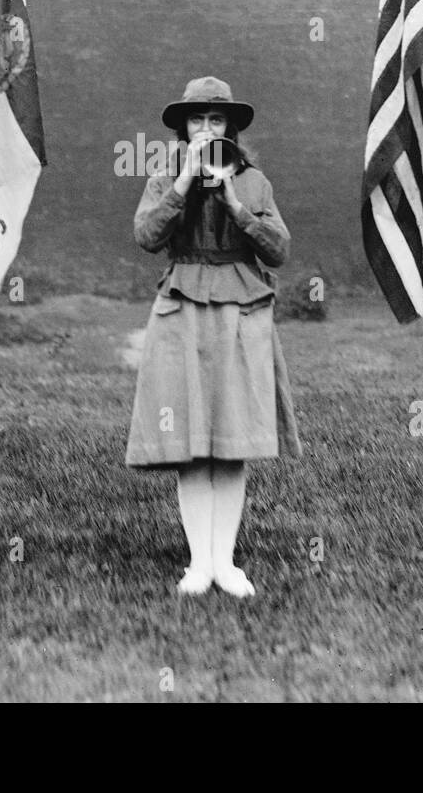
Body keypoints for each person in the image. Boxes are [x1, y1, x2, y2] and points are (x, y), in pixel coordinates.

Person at [126, 76, 301, 597]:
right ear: (183, 127)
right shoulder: (164, 177)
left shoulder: (255, 181)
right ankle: (198, 563)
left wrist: (234, 205)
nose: (206, 129)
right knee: (190, 441)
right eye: (197, 120)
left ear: (230, 128)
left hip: (242, 308)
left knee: (230, 440)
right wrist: (183, 186)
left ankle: (225, 561)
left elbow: (278, 251)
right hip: (182, 306)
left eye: (216, 120)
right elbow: (146, 236)